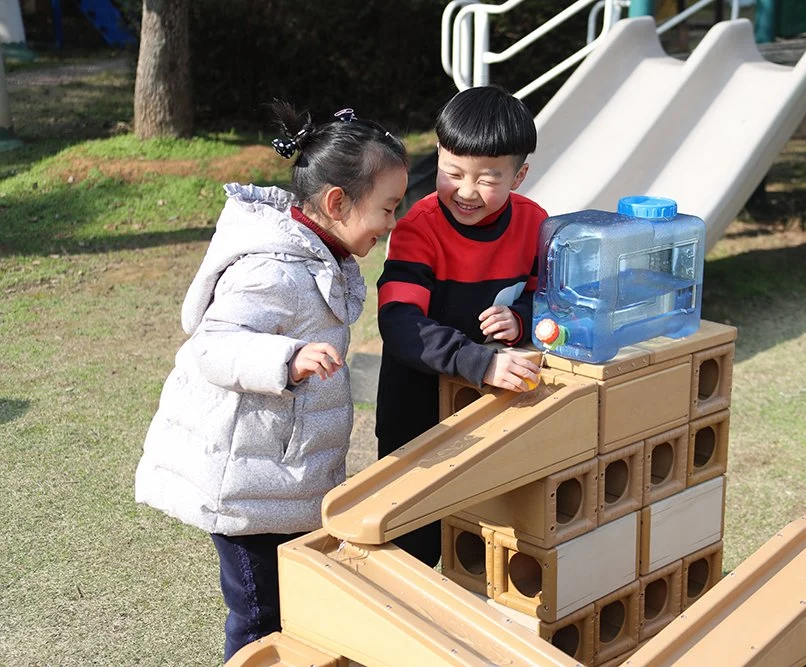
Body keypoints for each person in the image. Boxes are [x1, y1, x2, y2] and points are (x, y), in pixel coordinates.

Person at [134, 102, 408, 661]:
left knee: (296, 602)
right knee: (260, 617)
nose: (391, 224)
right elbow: (212, 346)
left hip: (286, 477)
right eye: (387, 208)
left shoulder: (321, 253)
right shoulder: (273, 268)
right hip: (247, 486)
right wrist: (286, 358)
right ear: (337, 202)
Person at [375, 85, 545, 567]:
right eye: (452, 173)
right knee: (413, 539)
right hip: (416, 416)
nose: (466, 191)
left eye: (488, 178)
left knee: (482, 533)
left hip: (490, 414)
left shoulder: (536, 225)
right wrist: (480, 361)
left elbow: (550, 297)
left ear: (519, 175)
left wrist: (522, 317)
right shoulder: (418, 228)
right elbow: (400, 323)